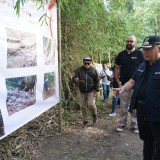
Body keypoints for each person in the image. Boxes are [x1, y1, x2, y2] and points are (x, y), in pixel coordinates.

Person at [114, 35, 160, 160]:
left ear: (159, 49)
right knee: (147, 143)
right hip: (143, 111)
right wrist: (123, 87)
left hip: (157, 115)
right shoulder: (143, 65)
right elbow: (133, 81)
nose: (145, 51)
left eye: (149, 49)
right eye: (144, 49)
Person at [114, 35, 144, 133]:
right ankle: (122, 124)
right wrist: (118, 81)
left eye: (131, 41)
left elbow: (145, 68)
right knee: (123, 106)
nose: (129, 43)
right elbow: (116, 68)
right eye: (127, 41)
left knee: (135, 106)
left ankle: (135, 125)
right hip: (123, 85)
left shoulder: (140, 54)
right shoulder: (121, 54)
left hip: (137, 85)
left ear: (135, 42)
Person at [72, 56, 100, 127]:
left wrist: (97, 90)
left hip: (91, 90)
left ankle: (94, 116)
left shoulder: (94, 70)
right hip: (82, 91)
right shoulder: (79, 70)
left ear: (90, 63)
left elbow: (97, 80)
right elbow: (73, 78)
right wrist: (75, 79)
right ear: (83, 63)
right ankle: (85, 120)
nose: (87, 65)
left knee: (91, 104)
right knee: (82, 106)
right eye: (85, 63)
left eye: (88, 63)